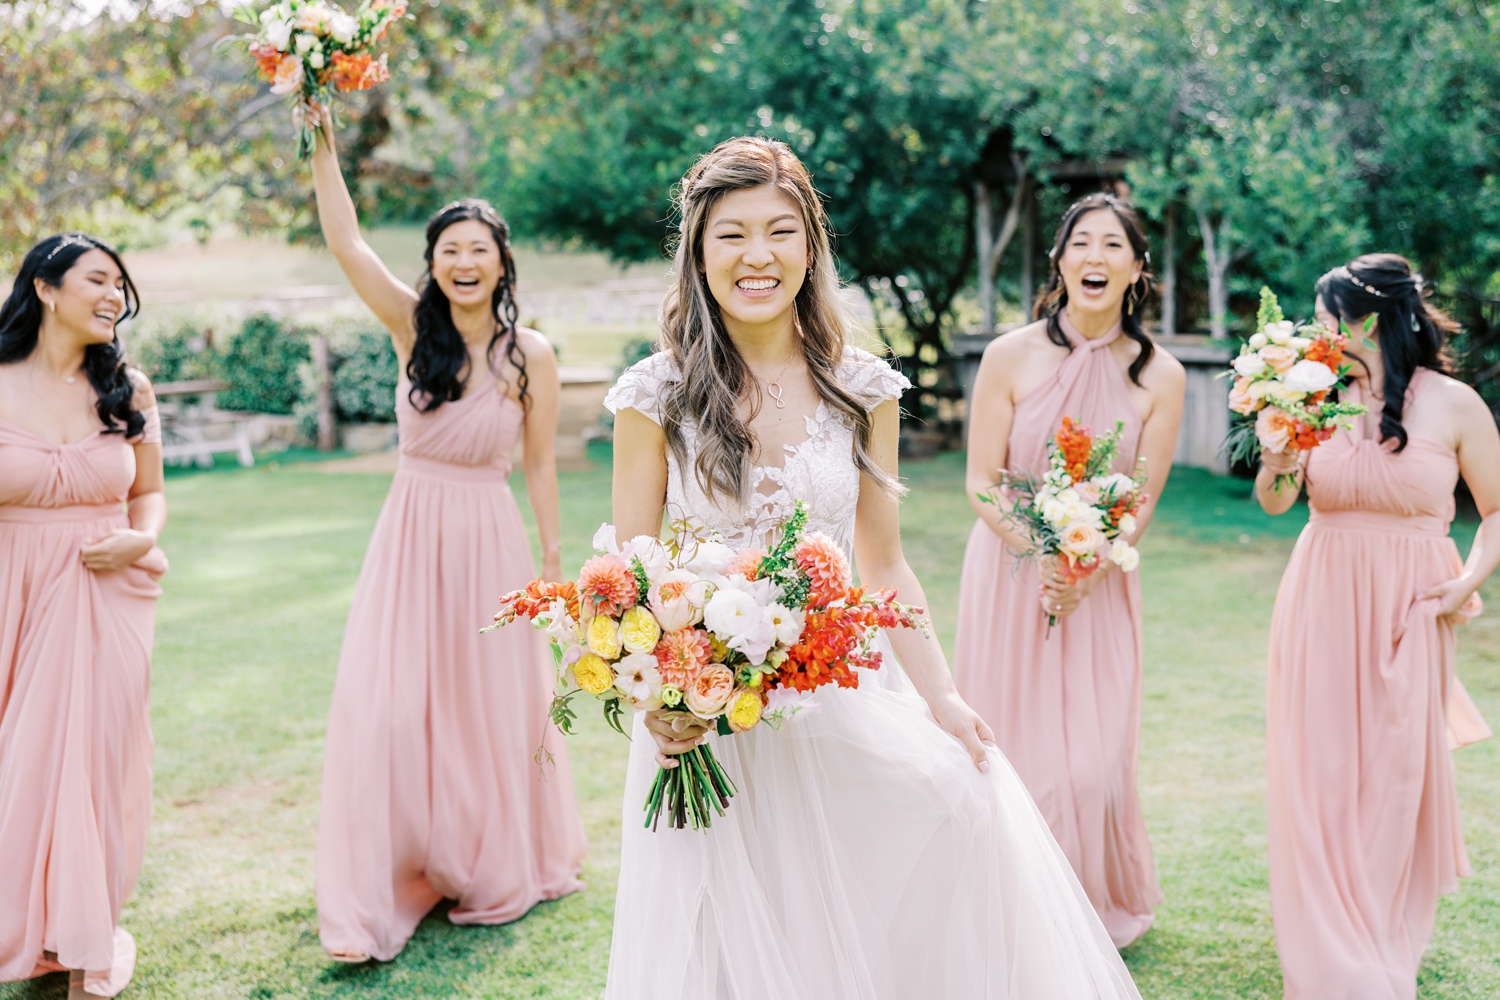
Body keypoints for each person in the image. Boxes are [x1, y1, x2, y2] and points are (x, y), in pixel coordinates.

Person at [602, 136, 1140, 999]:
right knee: (727, 949)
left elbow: (883, 565)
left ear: (810, 247)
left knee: (950, 819)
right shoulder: (654, 394)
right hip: (704, 720)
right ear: (698, 254)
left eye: (780, 231)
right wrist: (659, 704)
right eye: (731, 235)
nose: (758, 256)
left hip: (840, 696)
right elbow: (629, 575)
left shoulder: (864, 388)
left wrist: (944, 696)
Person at [307, 110, 586, 963]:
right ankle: (400, 864)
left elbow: (539, 467)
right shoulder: (409, 329)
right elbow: (348, 243)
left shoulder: (528, 351)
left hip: (487, 535)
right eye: (449, 250)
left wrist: (549, 560)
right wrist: (319, 137)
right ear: (432, 263)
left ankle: (493, 859)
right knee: (392, 706)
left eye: (479, 249)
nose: (464, 264)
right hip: (410, 534)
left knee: (490, 706)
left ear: (502, 261)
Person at [1258, 254, 1499, 1000]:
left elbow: (1495, 513)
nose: (1320, 334)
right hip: (1322, 601)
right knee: (1321, 780)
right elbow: (1275, 502)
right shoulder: (1310, 399)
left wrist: (1466, 579)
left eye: (1331, 318)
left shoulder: (1455, 404)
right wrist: (1275, 457)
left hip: (1413, 610)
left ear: (1376, 319)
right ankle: (1332, 961)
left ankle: (1382, 944)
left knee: (1393, 781)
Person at [951, 194, 1184, 947]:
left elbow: (1141, 494)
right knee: (1009, 755)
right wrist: (1042, 551)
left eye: (1112, 245)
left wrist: (1089, 564)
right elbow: (983, 479)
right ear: (1058, 262)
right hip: (1011, 577)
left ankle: (1085, 904)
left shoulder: (1162, 375)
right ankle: (1011, 911)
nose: (1094, 257)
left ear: (1137, 269)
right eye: (1079, 243)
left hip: (1102, 584)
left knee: (1094, 762)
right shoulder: (1009, 356)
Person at [0, 233, 168, 999]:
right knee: (20, 769)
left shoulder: (127, 386)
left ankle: (87, 942)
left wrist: (145, 535)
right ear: (44, 286)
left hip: (109, 599)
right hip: (14, 595)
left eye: (119, 286)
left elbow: (151, 492)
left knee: (93, 768)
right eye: (98, 280)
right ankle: (30, 931)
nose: (114, 296)